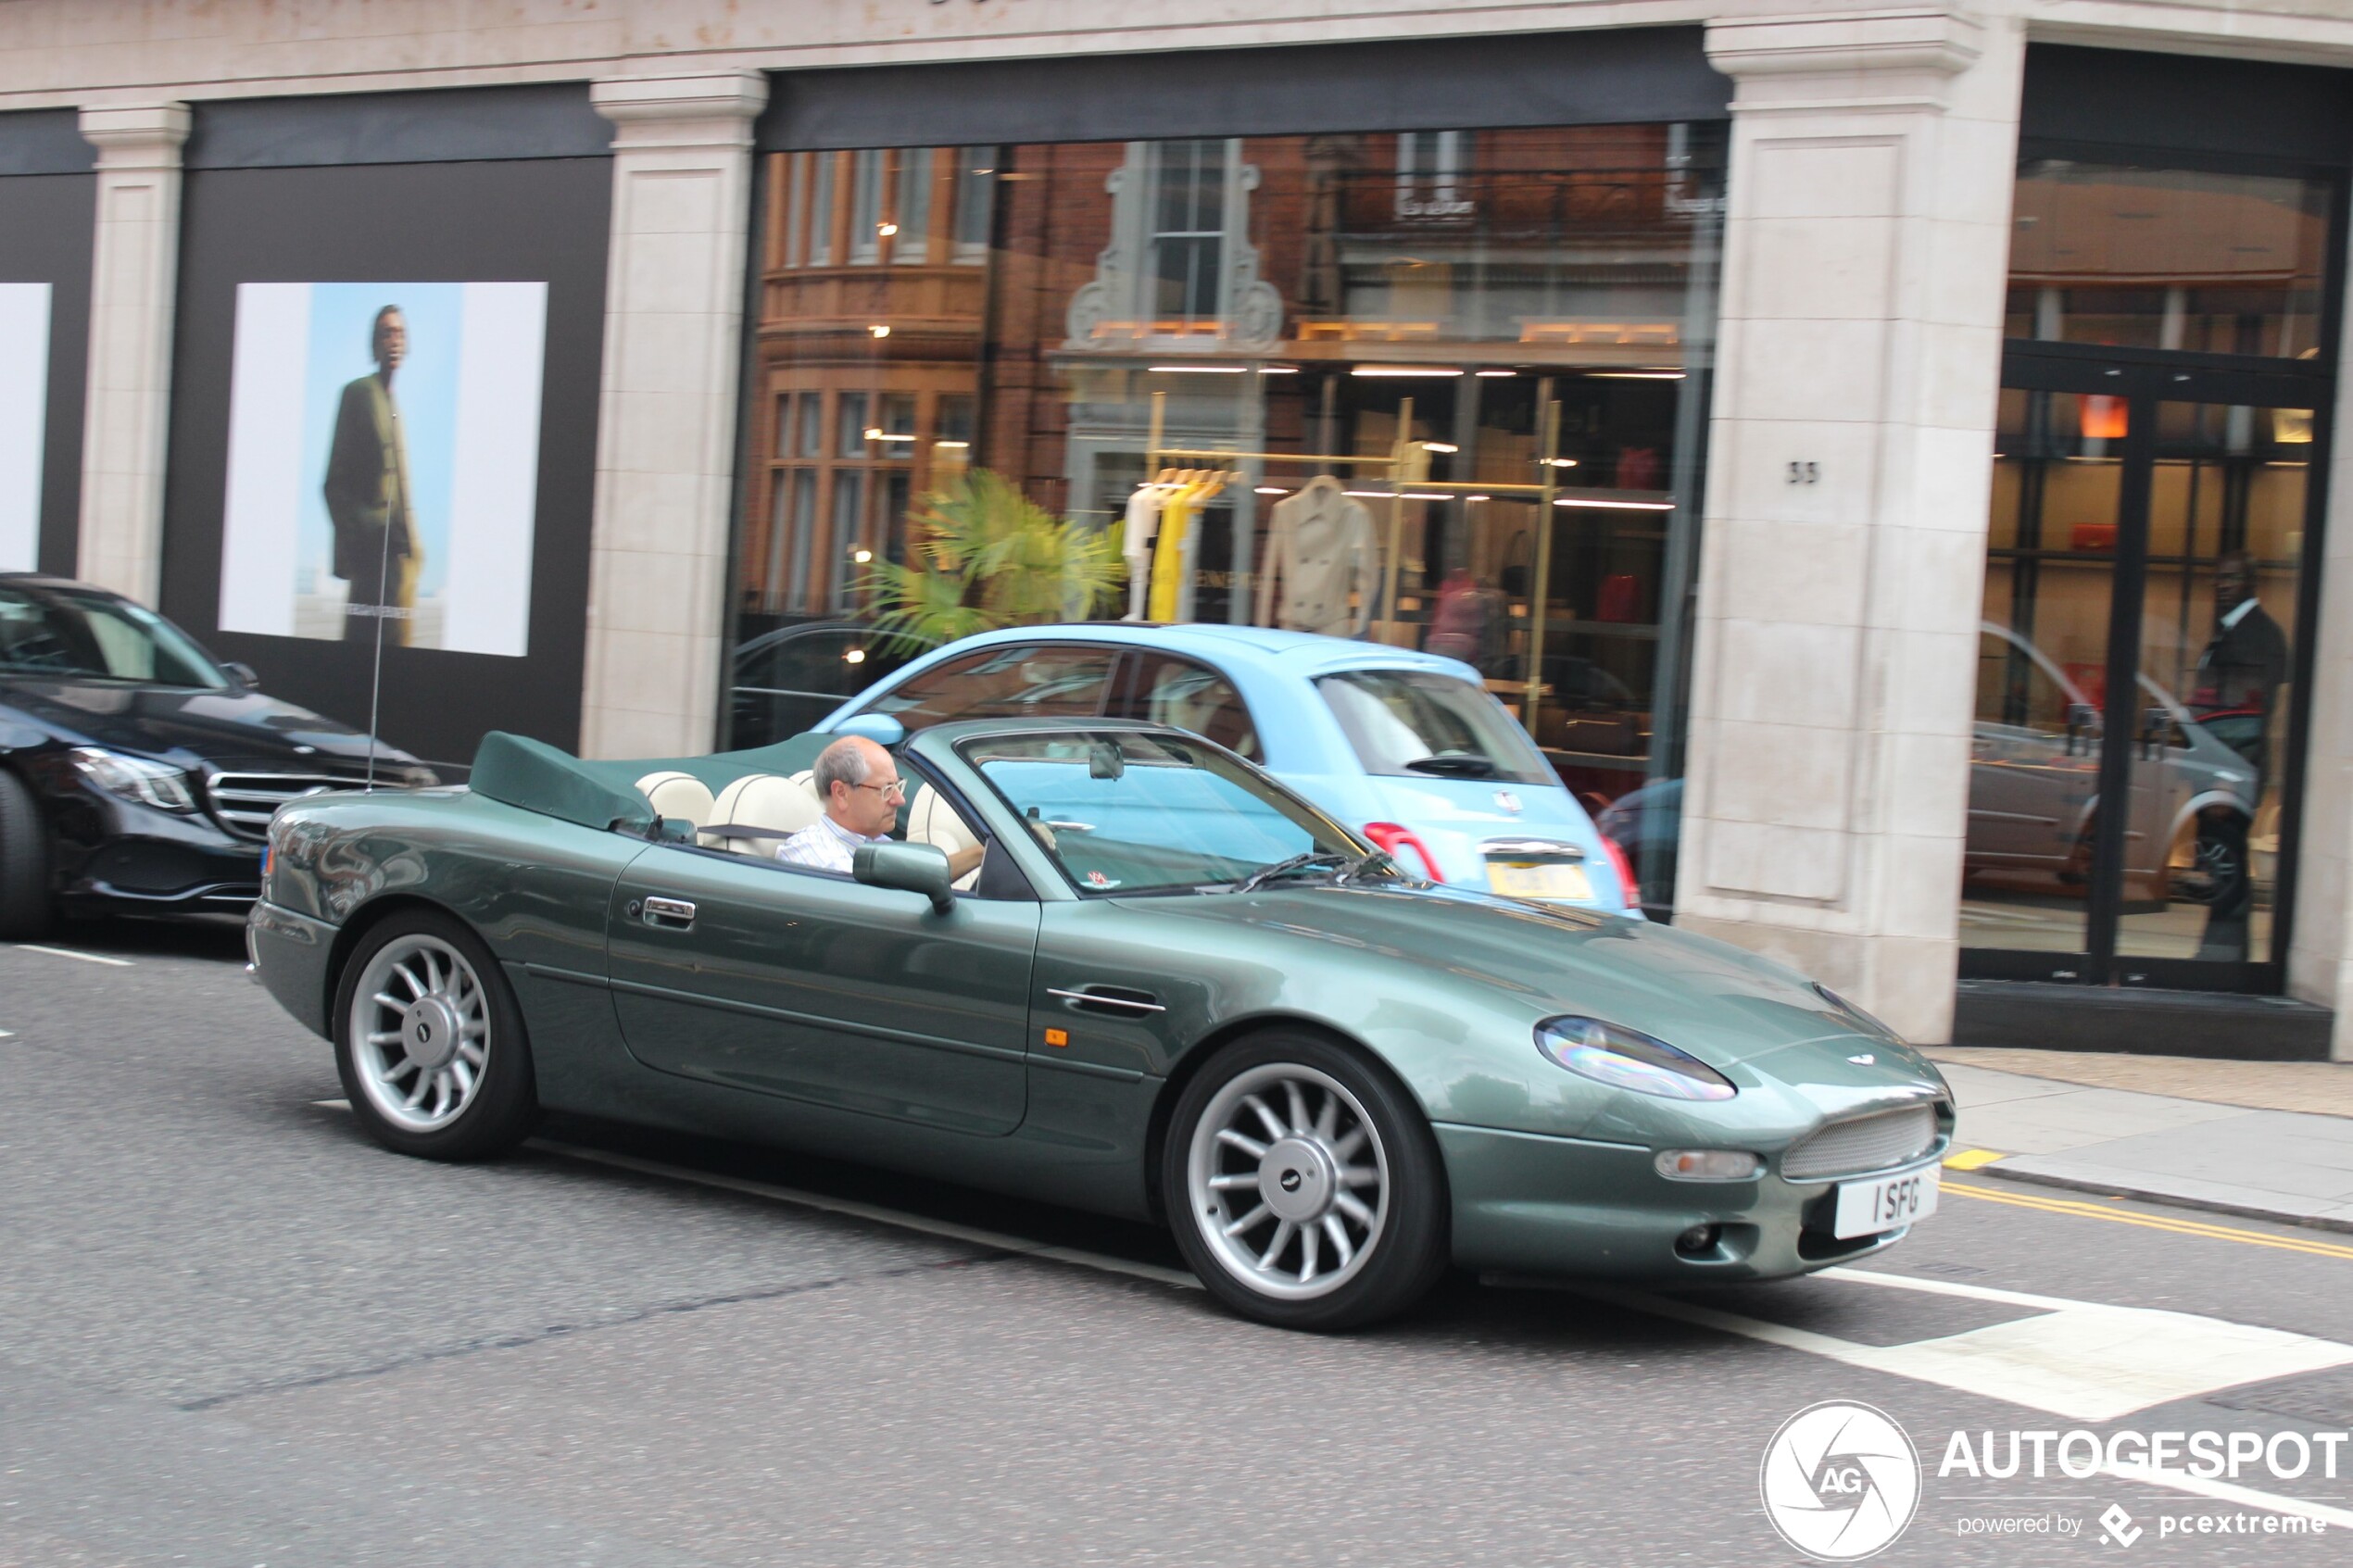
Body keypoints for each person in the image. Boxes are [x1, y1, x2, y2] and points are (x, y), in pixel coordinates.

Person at [322, 305, 424, 647]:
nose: (394, 341)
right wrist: (370, 531)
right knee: (360, 659)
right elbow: (334, 484)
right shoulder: (358, 394)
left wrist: (413, 552)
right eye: (386, 332)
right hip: (371, 562)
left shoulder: (394, 405)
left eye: (400, 333)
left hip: (402, 565)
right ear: (373, 345)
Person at [775, 734, 986, 882]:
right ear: (841, 793)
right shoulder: (810, 849)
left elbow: (927, 874)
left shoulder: (880, 844)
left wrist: (982, 853)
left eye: (897, 786)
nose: (899, 800)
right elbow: (869, 898)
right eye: (886, 790)